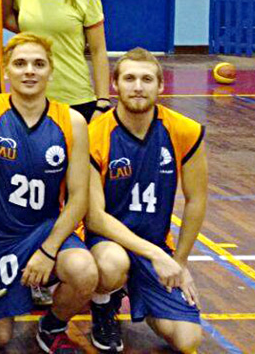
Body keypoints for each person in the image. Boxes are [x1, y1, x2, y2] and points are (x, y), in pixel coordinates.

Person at [0, 33, 97, 352]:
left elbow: (78, 198)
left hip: (43, 233)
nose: (29, 71)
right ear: (6, 71)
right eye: (20, 64)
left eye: (38, 64)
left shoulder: (72, 121)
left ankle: (52, 326)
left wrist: (48, 250)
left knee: (85, 270)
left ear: (50, 70)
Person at [86, 48, 206, 353]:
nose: (138, 86)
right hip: (106, 242)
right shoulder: (94, 134)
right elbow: (95, 217)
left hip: (154, 245)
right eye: (129, 78)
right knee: (113, 263)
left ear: (161, 86)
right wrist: (158, 255)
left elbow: (196, 201)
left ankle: (142, 295)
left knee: (187, 340)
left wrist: (178, 262)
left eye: (146, 79)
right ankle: (104, 304)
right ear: (115, 85)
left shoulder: (185, 131)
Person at [12, 0, 111, 122]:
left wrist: (102, 102)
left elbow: (99, 51)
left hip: (75, 99)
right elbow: (13, 22)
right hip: (31, 99)